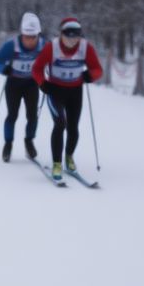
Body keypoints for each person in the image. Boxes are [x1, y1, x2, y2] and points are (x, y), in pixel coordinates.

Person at [31, 16, 103, 180]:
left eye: (75, 36)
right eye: (68, 36)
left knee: (73, 127)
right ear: (61, 34)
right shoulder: (52, 47)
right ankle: (57, 164)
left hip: (75, 92)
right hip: (55, 90)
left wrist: (90, 75)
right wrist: (43, 83)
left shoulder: (85, 47)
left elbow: (97, 69)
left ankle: (69, 157)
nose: (71, 40)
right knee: (60, 124)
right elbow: (36, 69)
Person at [0, 12, 45, 161]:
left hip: (31, 84)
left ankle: (29, 141)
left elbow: (53, 58)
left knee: (32, 115)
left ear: (38, 35)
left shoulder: (43, 45)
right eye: (26, 36)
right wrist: (5, 69)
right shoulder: (11, 45)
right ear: (22, 34)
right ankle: (8, 144)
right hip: (14, 84)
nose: (30, 40)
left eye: (33, 37)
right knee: (12, 115)